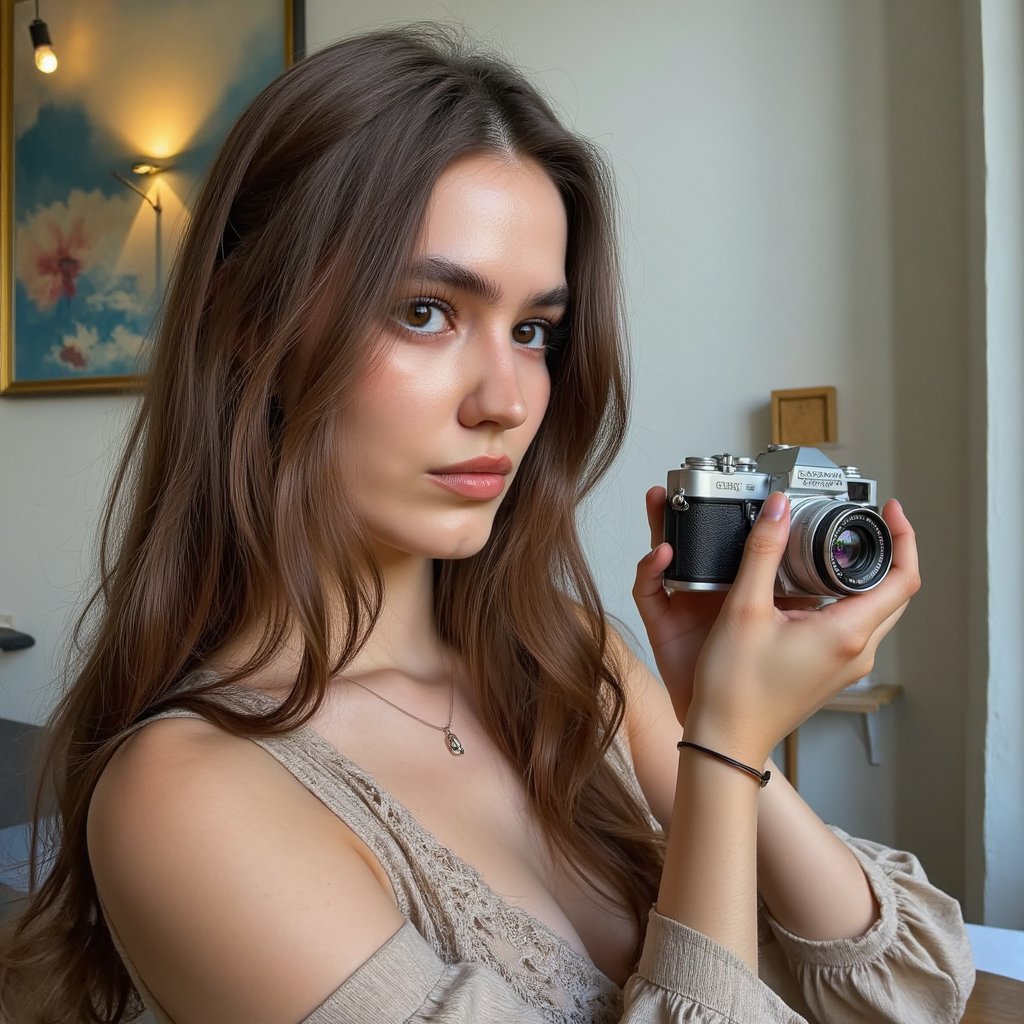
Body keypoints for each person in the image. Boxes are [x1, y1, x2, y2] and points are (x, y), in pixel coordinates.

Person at [0, 24, 973, 1024]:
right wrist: (722, 749)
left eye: (534, 331)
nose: (506, 400)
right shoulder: (185, 798)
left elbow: (910, 989)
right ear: (253, 324)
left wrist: (729, 740)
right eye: (425, 311)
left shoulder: (568, 659)